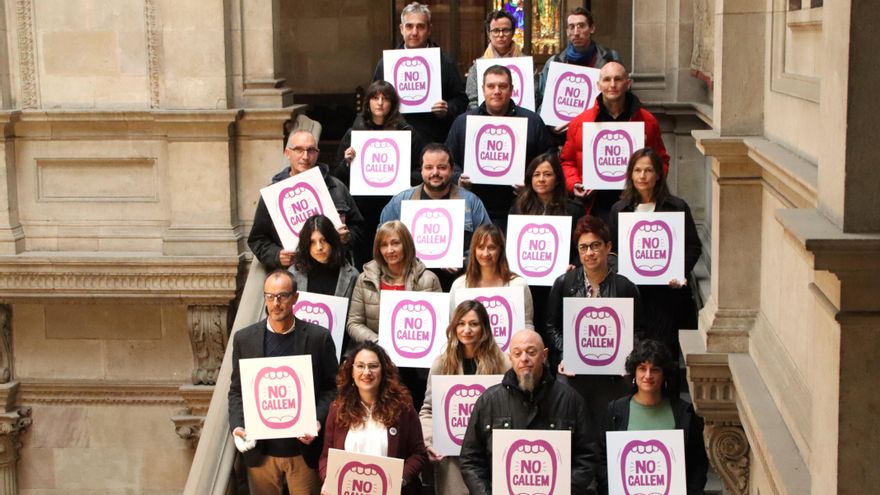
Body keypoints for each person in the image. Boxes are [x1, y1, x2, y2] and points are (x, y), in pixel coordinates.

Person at [228, 270, 338, 495]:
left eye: (283, 296)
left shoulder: (319, 338)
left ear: (295, 297)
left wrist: (316, 419)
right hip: (261, 453)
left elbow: (333, 388)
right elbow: (237, 390)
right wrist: (238, 426)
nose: (275, 303)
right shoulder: (244, 339)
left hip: (303, 453)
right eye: (270, 296)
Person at [459, 330, 599, 495]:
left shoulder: (571, 400)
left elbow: (587, 457)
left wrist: (559, 490)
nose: (524, 358)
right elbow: (470, 459)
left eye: (531, 352)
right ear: (510, 358)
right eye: (517, 353)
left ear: (544, 355)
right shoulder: (489, 401)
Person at [546, 214, 644, 431]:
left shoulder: (625, 287)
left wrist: (626, 358)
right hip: (574, 372)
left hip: (613, 374)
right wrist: (565, 356)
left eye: (595, 246)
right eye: (583, 247)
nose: (589, 253)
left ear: (608, 247)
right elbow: (552, 327)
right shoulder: (564, 284)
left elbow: (637, 330)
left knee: (609, 427)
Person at [608, 148, 701, 375]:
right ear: (630, 174)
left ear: (658, 174)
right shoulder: (619, 209)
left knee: (663, 356)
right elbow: (613, 251)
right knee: (635, 354)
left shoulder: (677, 207)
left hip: (666, 296)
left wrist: (679, 271)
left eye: (648, 170)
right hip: (634, 294)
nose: (642, 176)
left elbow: (693, 246)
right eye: (637, 170)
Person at [346, 220, 441, 408]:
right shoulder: (365, 279)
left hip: (415, 368)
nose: (390, 250)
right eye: (384, 245)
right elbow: (353, 323)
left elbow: (440, 326)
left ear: (406, 244)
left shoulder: (428, 280)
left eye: (395, 243)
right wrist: (379, 342)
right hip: (377, 360)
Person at [559, 61, 670, 223]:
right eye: (607, 80)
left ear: (628, 83)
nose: (612, 85)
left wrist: (652, 184)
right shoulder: (580, 122)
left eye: (618, 79)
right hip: (595, 204)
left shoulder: (647, 121)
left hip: (637, 203)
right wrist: (574, 183)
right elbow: (567, 161)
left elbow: (662, 161)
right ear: (598, 85)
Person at [419, 300, 510, 494]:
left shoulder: (503, 363)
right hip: (452, 458)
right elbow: (427, 410)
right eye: (461, 323)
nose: (466, 329)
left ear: (484, 327)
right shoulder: (441, 364)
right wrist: (429, 442)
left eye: (473, 324)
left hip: (489, 455)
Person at [447, 65, 555, 229]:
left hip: (521, 207)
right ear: (482, 89)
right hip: (474, 207)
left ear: (511, 90)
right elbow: (448, 162)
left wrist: (531, 184)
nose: (497, 91)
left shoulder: (532, 121)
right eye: (491, 86)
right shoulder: (463, 122)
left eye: (502, 86)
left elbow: (550, 161)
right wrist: (458, 180)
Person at [597, 340, 708, 495]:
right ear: (634, 372)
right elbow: (603, 458)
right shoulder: (616, 410)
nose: (648, 375)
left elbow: (698, 461)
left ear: (664, 375)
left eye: (655, 370)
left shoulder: (684, 412)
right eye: (642, 369)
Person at [319, 341, 428, 495]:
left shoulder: (403, 409)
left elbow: (419, 454)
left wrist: (399, 479)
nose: (366, 372)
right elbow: (326, 457)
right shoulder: (338, 409)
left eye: (373, 366)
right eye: (360, 366)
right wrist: (329, 479)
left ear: (383, 371)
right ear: (351, 371)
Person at [379, 143, 492, 290]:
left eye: (442, 167)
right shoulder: (400, 201)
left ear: (451, 170)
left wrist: (461, 261)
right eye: (429, 167)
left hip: (459, 282)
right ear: (421, 170)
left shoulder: (471, 202)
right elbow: (381, 240)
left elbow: (488, 242)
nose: (435, 172)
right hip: (411, 283)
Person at [248, 130, 366, 270]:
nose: (305, 156)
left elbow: (358, 227)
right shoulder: (273, 195)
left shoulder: (337, 188)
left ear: (317, 153)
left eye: (311, 150)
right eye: (299, 150)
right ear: (287, 153)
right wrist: (276, 255)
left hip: (333, 272)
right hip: (294, 275)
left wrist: (347, 238)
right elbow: (257, 239)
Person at [509, 151, 584, 340]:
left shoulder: (573, 210)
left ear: (558, 179)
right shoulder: (518, 208)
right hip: (527, 282)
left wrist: (574, 266)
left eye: (547, 174)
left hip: (560, 282)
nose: (541, 179)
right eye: (536, 174)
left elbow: (580, 247)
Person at [372, 2, 467, 144]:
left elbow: (461, 101)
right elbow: (372, 101)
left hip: (434, 141)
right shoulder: (385, 64)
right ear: (401, 29)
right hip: (396, 139)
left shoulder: (445, 62)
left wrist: (447, 109)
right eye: (409, 26)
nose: (414, 32)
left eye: (420, 26)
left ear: (429, 30)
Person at [536, 7, 620, 115]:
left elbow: (622, 96)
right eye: (571, 27)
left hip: (598, 125)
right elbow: (542, 100)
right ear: (567, 32)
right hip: (562, 128)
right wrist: (551, 126)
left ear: (592, 28)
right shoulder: (554, 63)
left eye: (581, 26)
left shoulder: (610, 58)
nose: (576, 32)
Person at [449, 224, 534, 332]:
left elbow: (527, 325)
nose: (485, 253)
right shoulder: (459, 285)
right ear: (473, 250)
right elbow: (453, 325)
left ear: (501, 250)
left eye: (491, 247)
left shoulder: (518, 284)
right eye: (480, 247)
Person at [464, 10, 522, 109]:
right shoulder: (477, 66)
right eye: (495, 31)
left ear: (513, 33)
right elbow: (473, 101)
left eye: (506, 30)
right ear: (488, 34)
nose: (501, 35)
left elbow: (534, 96)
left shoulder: (526, 64)